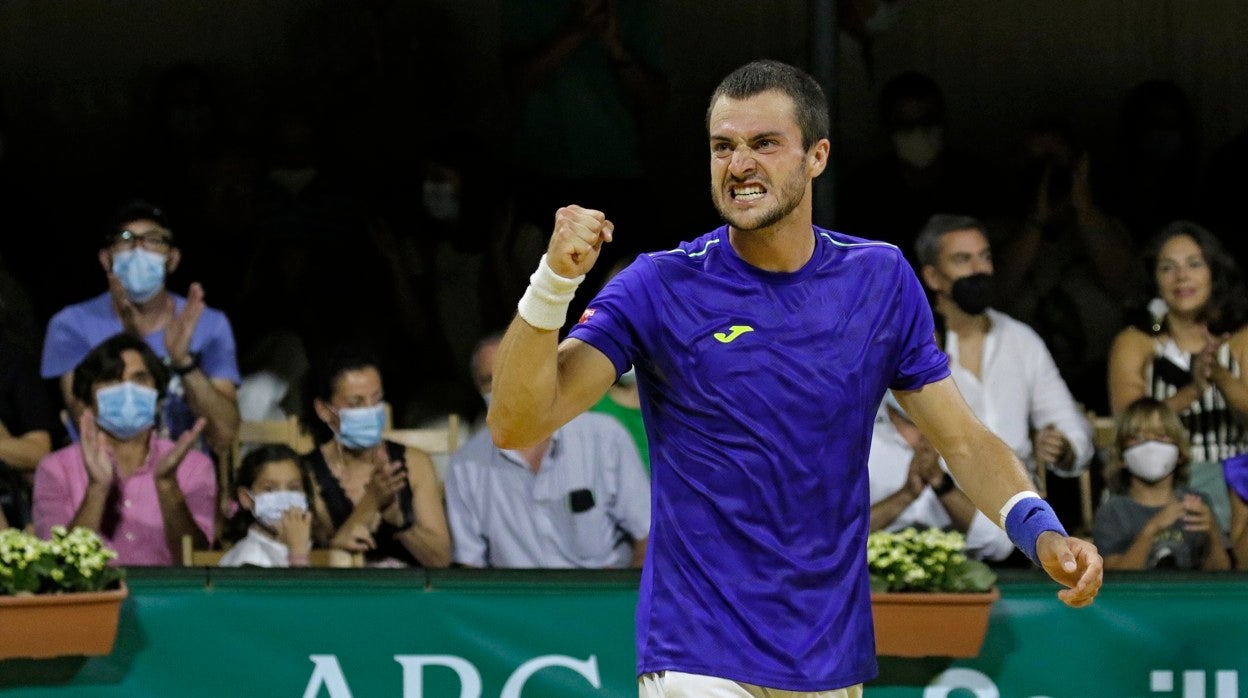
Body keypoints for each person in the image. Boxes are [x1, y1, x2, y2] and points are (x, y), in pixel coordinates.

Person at [487, 59, 1102, 695]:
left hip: (828, 657)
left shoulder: (882, 279)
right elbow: (516, 423)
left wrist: (1041, 530)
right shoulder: (660, 284)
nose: (739, 164)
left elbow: (964, 441)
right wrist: (553, 282)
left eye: (764, 143)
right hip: (698, 652)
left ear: (817, 157)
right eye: (722, 146)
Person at [39, 200, 241, 457]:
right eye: (125, 239)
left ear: (173, 259)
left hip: (188, 476)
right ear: (106, 259)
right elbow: (84, 421)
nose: (138, 249)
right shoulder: (70, 325)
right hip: (103, 472)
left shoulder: (208, 323)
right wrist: (131, 339)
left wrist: (184, 363)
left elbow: (224, 435)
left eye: (153, 240)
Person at [914, 214, 1095, 491]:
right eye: (963, 260)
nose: (979, 269)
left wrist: (1063, 448)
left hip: (1018, 512)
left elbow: (1074, 431)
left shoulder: (1020, 340)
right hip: (942, 508)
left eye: (985, 257)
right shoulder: (914, 345)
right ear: (933, 277)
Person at [445, 332, 650, 569]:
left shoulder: (604, 439)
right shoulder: (466, 465)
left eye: (511, 371)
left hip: (599, 596)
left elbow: (648, 534)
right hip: (518, 601)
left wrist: (624, 599)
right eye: (489, 380)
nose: (502, 386)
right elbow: (469, 563)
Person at [1106, 220, 1248, 536]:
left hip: (1234, 479)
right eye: (1168, 268)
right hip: (1156, 480)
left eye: (1194, 264)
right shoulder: (1135, 342)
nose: (1181, 276)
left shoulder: (1241, 340)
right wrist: (1194, 390)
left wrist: (1220, 376)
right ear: (1154, 281)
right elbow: (1131, 424)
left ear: (1214, 272)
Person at [32, 332, 216, 566]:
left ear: (158, 397)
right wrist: (97, 489)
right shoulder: (55, 469)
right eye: (112, 380)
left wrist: (168, 485)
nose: (127, 390)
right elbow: (58, 564)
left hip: (168, 597)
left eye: (139, 379)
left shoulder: (193, 466)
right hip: (94, 597)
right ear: (88, 399)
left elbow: (196, 560)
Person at [303, 343, 451, 568]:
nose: (370, 410)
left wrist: (399, 523)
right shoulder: (309, 473)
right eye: (356, 403)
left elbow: (441, 559)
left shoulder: (413, 463)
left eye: (376, 399)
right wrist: (372, 501)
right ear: (324, 410)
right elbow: (325, 563)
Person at [868, 392, 1013, 563]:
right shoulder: (854, 434)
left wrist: (941, 483)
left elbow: (1000, 544)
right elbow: (836, 538)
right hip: (871, 576)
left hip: (954, 576)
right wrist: (905, 496)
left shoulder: (972, 435)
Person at [1092, 397, 1229, 570]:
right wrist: (1152, 528)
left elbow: (1220, 573)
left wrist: (1213, 534)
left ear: (1180, 452)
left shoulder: (1197, 504)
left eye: (1161, 436)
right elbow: (1114, 579)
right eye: (1137, 438)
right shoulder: (1113, 512)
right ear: (1121, 455)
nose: (1150, 445)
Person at [218, 443, 314, 568]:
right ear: (246, 498)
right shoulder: (249, 558)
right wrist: (298, 554)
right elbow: (299, 588)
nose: (283, 497)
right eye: (269, 489)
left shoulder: (297, 546)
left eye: (293, 488)